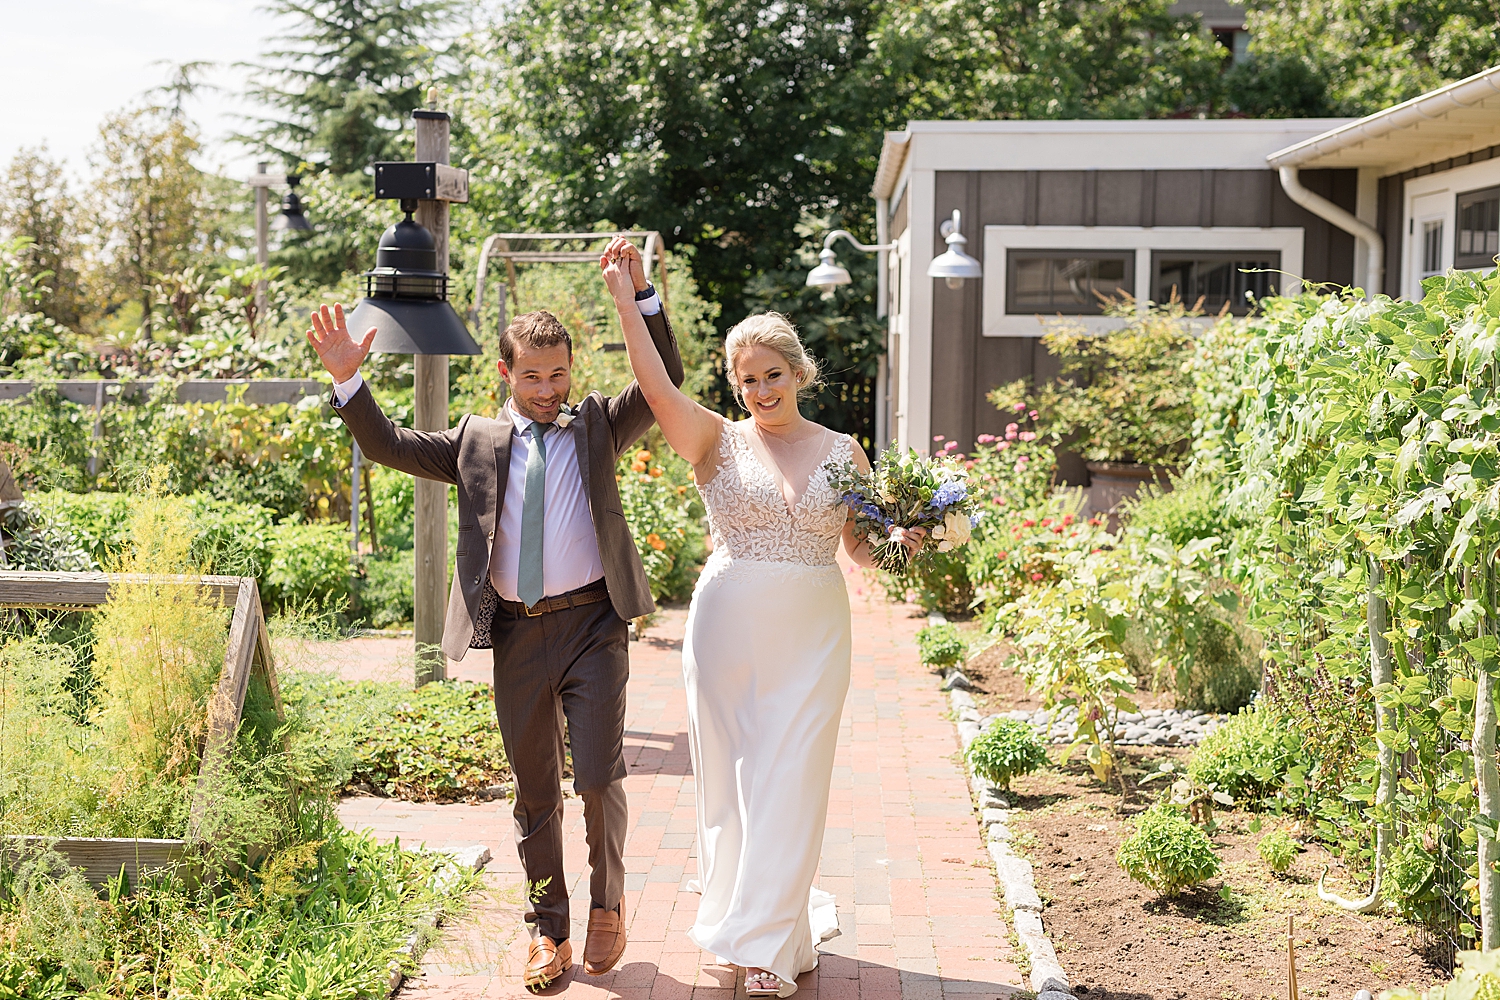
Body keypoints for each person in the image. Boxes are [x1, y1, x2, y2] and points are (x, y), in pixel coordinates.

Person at [306, 237, 681, 990]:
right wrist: (349, 382)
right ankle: (547, 931)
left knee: (601, 777)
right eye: (534, 376)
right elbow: (388, 444)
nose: (548, 388)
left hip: (593, 627)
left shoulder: (601, 424)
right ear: (506, 373)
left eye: (560, 374)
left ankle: (607, 905)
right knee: (534, 788)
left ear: (575, 373)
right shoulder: (475, 441)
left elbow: (666, 377)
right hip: (515, 632)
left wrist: (641, 299)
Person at [599, 255, 923, 997]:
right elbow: (655, 387)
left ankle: (769, 946)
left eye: (771, 374)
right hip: (727, 628)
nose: (760, 390)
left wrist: (905, 543)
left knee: (794, 780)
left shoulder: (846, 453)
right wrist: (629, 301)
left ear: (798, 372)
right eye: (746, 380)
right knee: (735, 784)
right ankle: (750, 926)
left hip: (813, 632)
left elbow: (862, 551)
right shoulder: (715, 439)